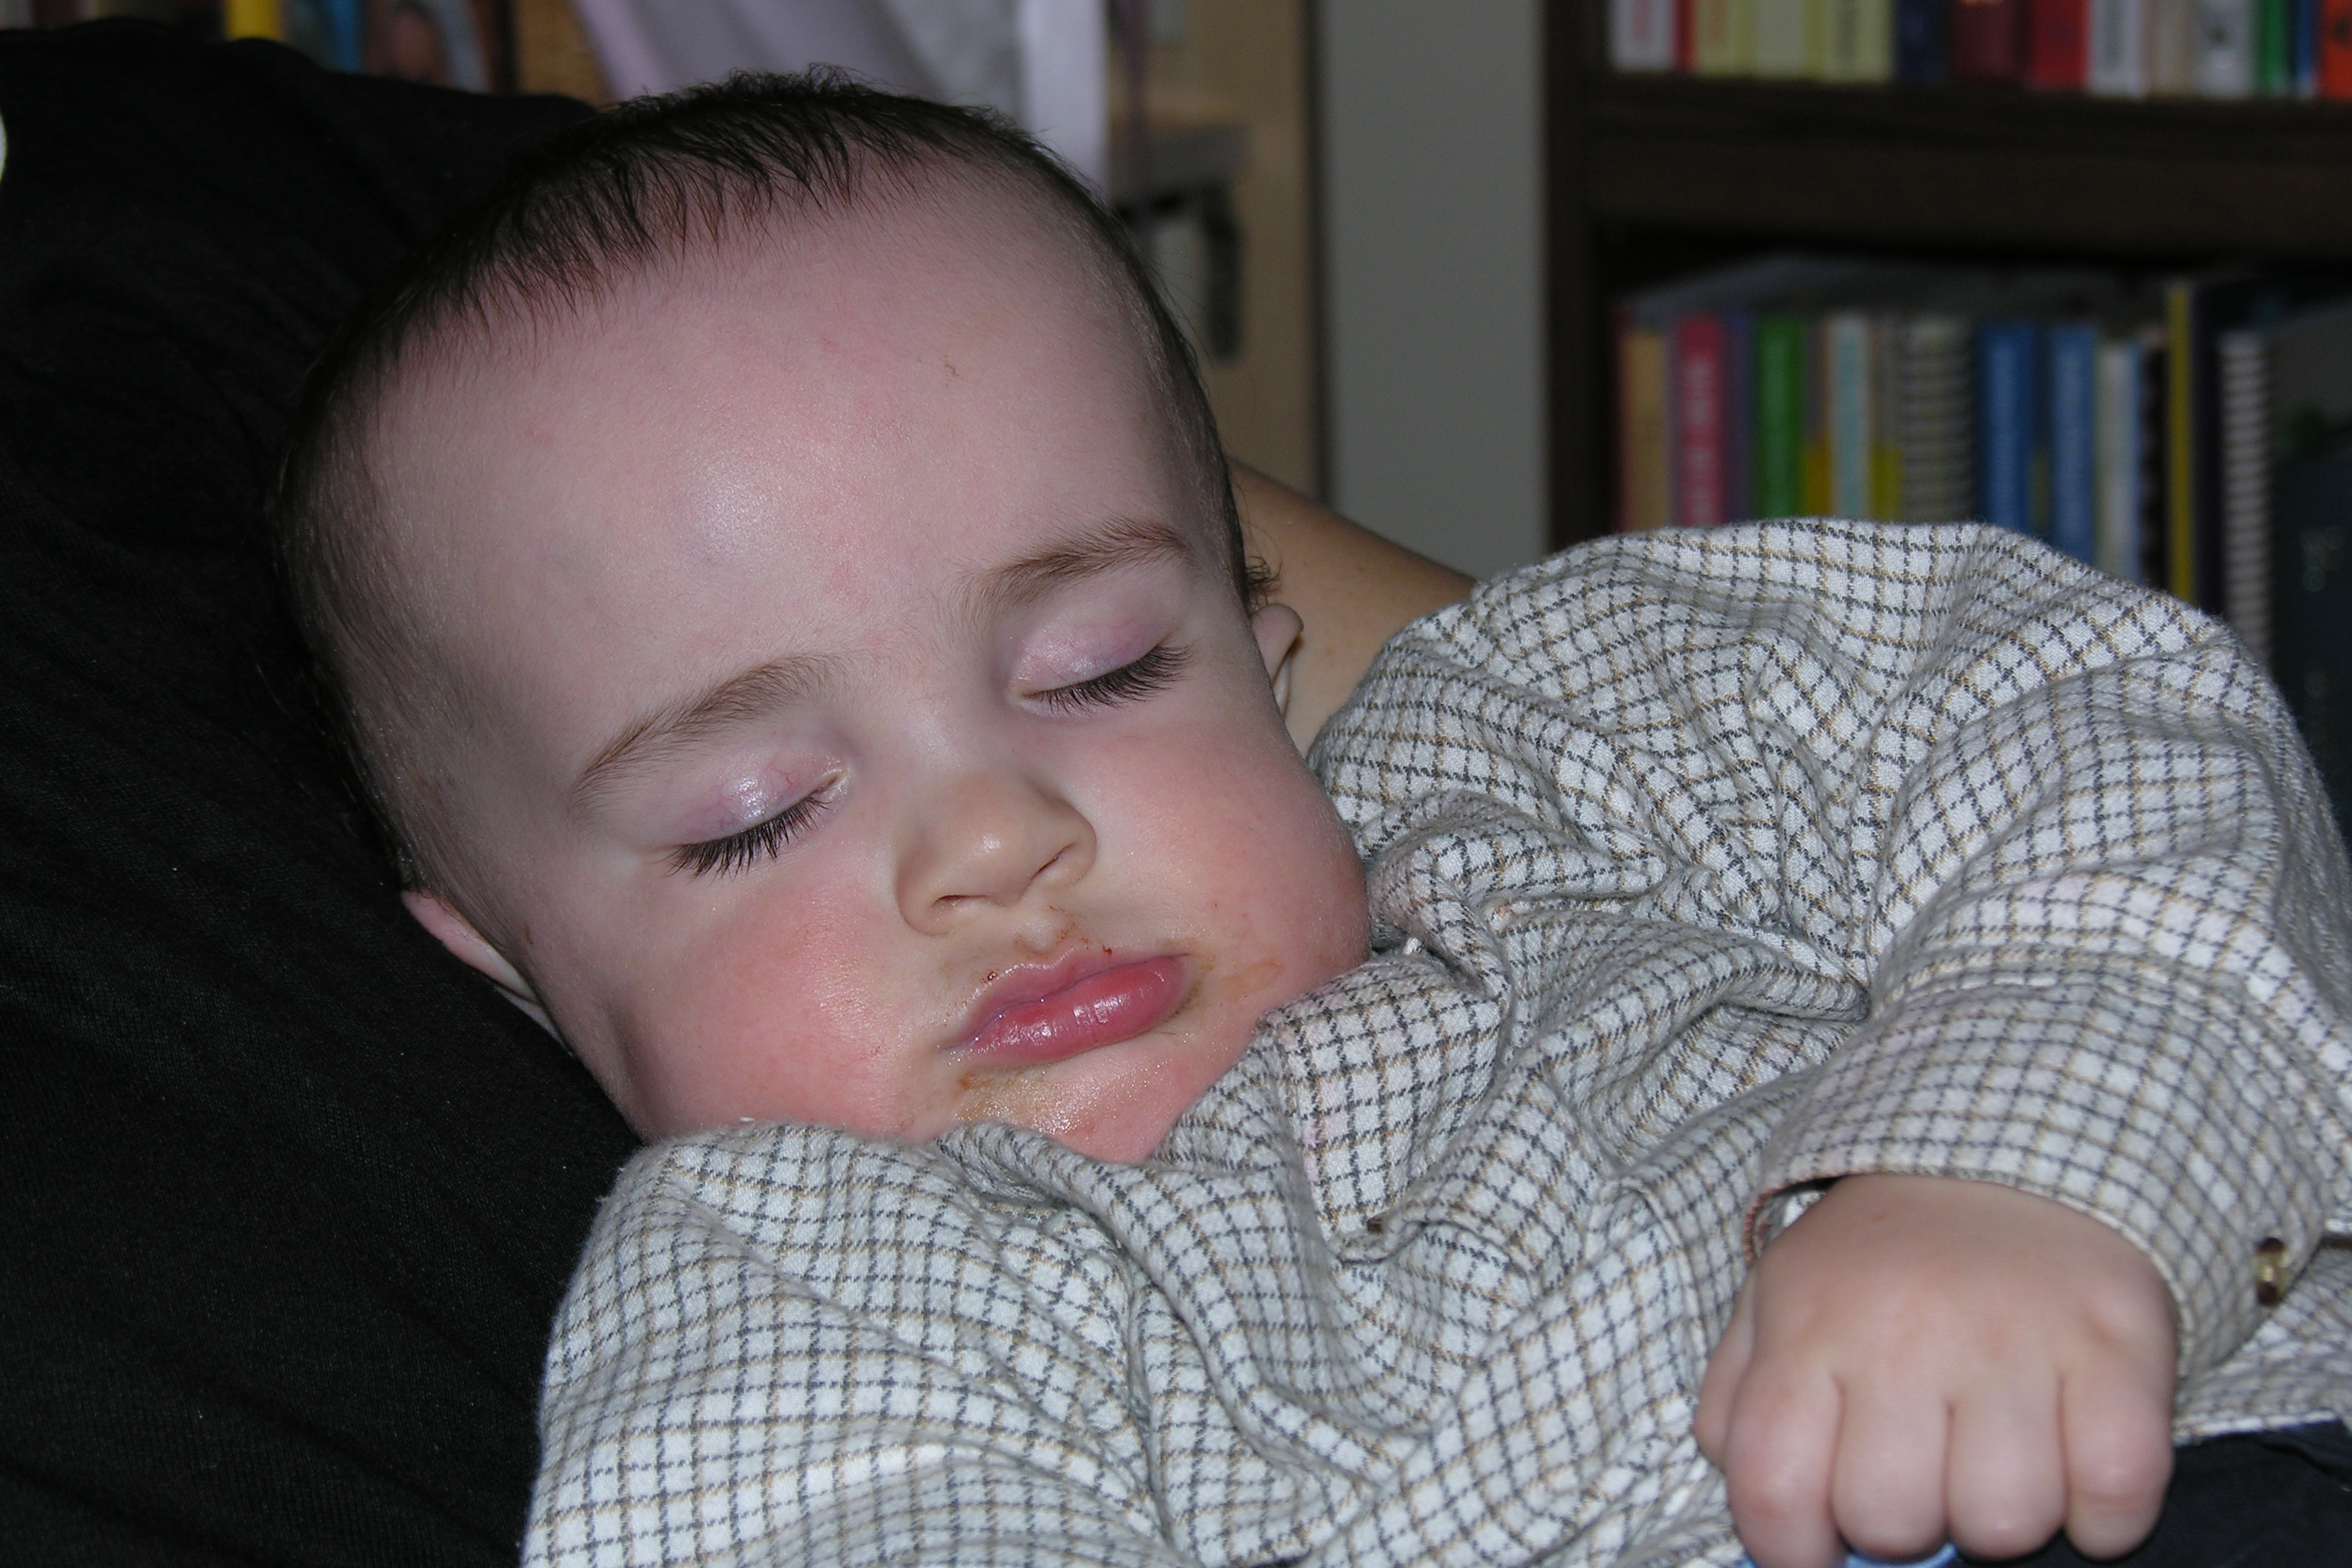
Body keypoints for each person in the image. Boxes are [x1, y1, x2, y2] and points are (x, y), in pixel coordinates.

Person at [268, 75, 2352, 1568]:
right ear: (514, 974)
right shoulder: (804, 1306)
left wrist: (2013, 1165)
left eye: (1102, 667)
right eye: (757, 815)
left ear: (1274, 663)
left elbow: (2080, 712)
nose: (994, 838)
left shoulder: (1537, 747)